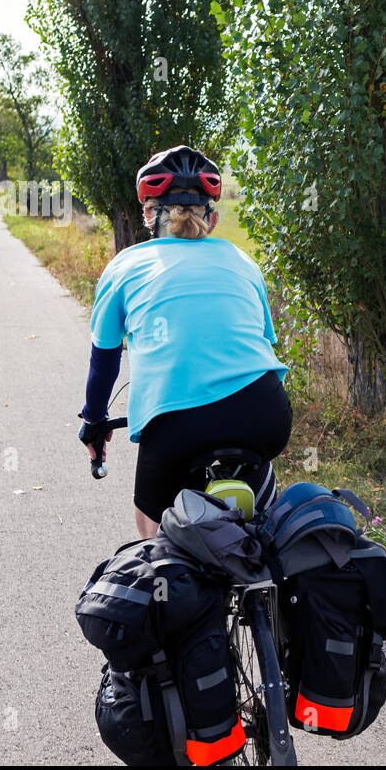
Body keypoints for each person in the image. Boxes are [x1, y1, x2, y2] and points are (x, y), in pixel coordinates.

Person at [78, 145, 291, 539]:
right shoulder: (244, 263)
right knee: (268, 526)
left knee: (155, 540)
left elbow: (103, 363)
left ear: (148, 214)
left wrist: (93, 422)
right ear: (213, 216)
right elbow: (259, 346)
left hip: (176, 427)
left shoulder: (124, 266)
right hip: (266, 416)